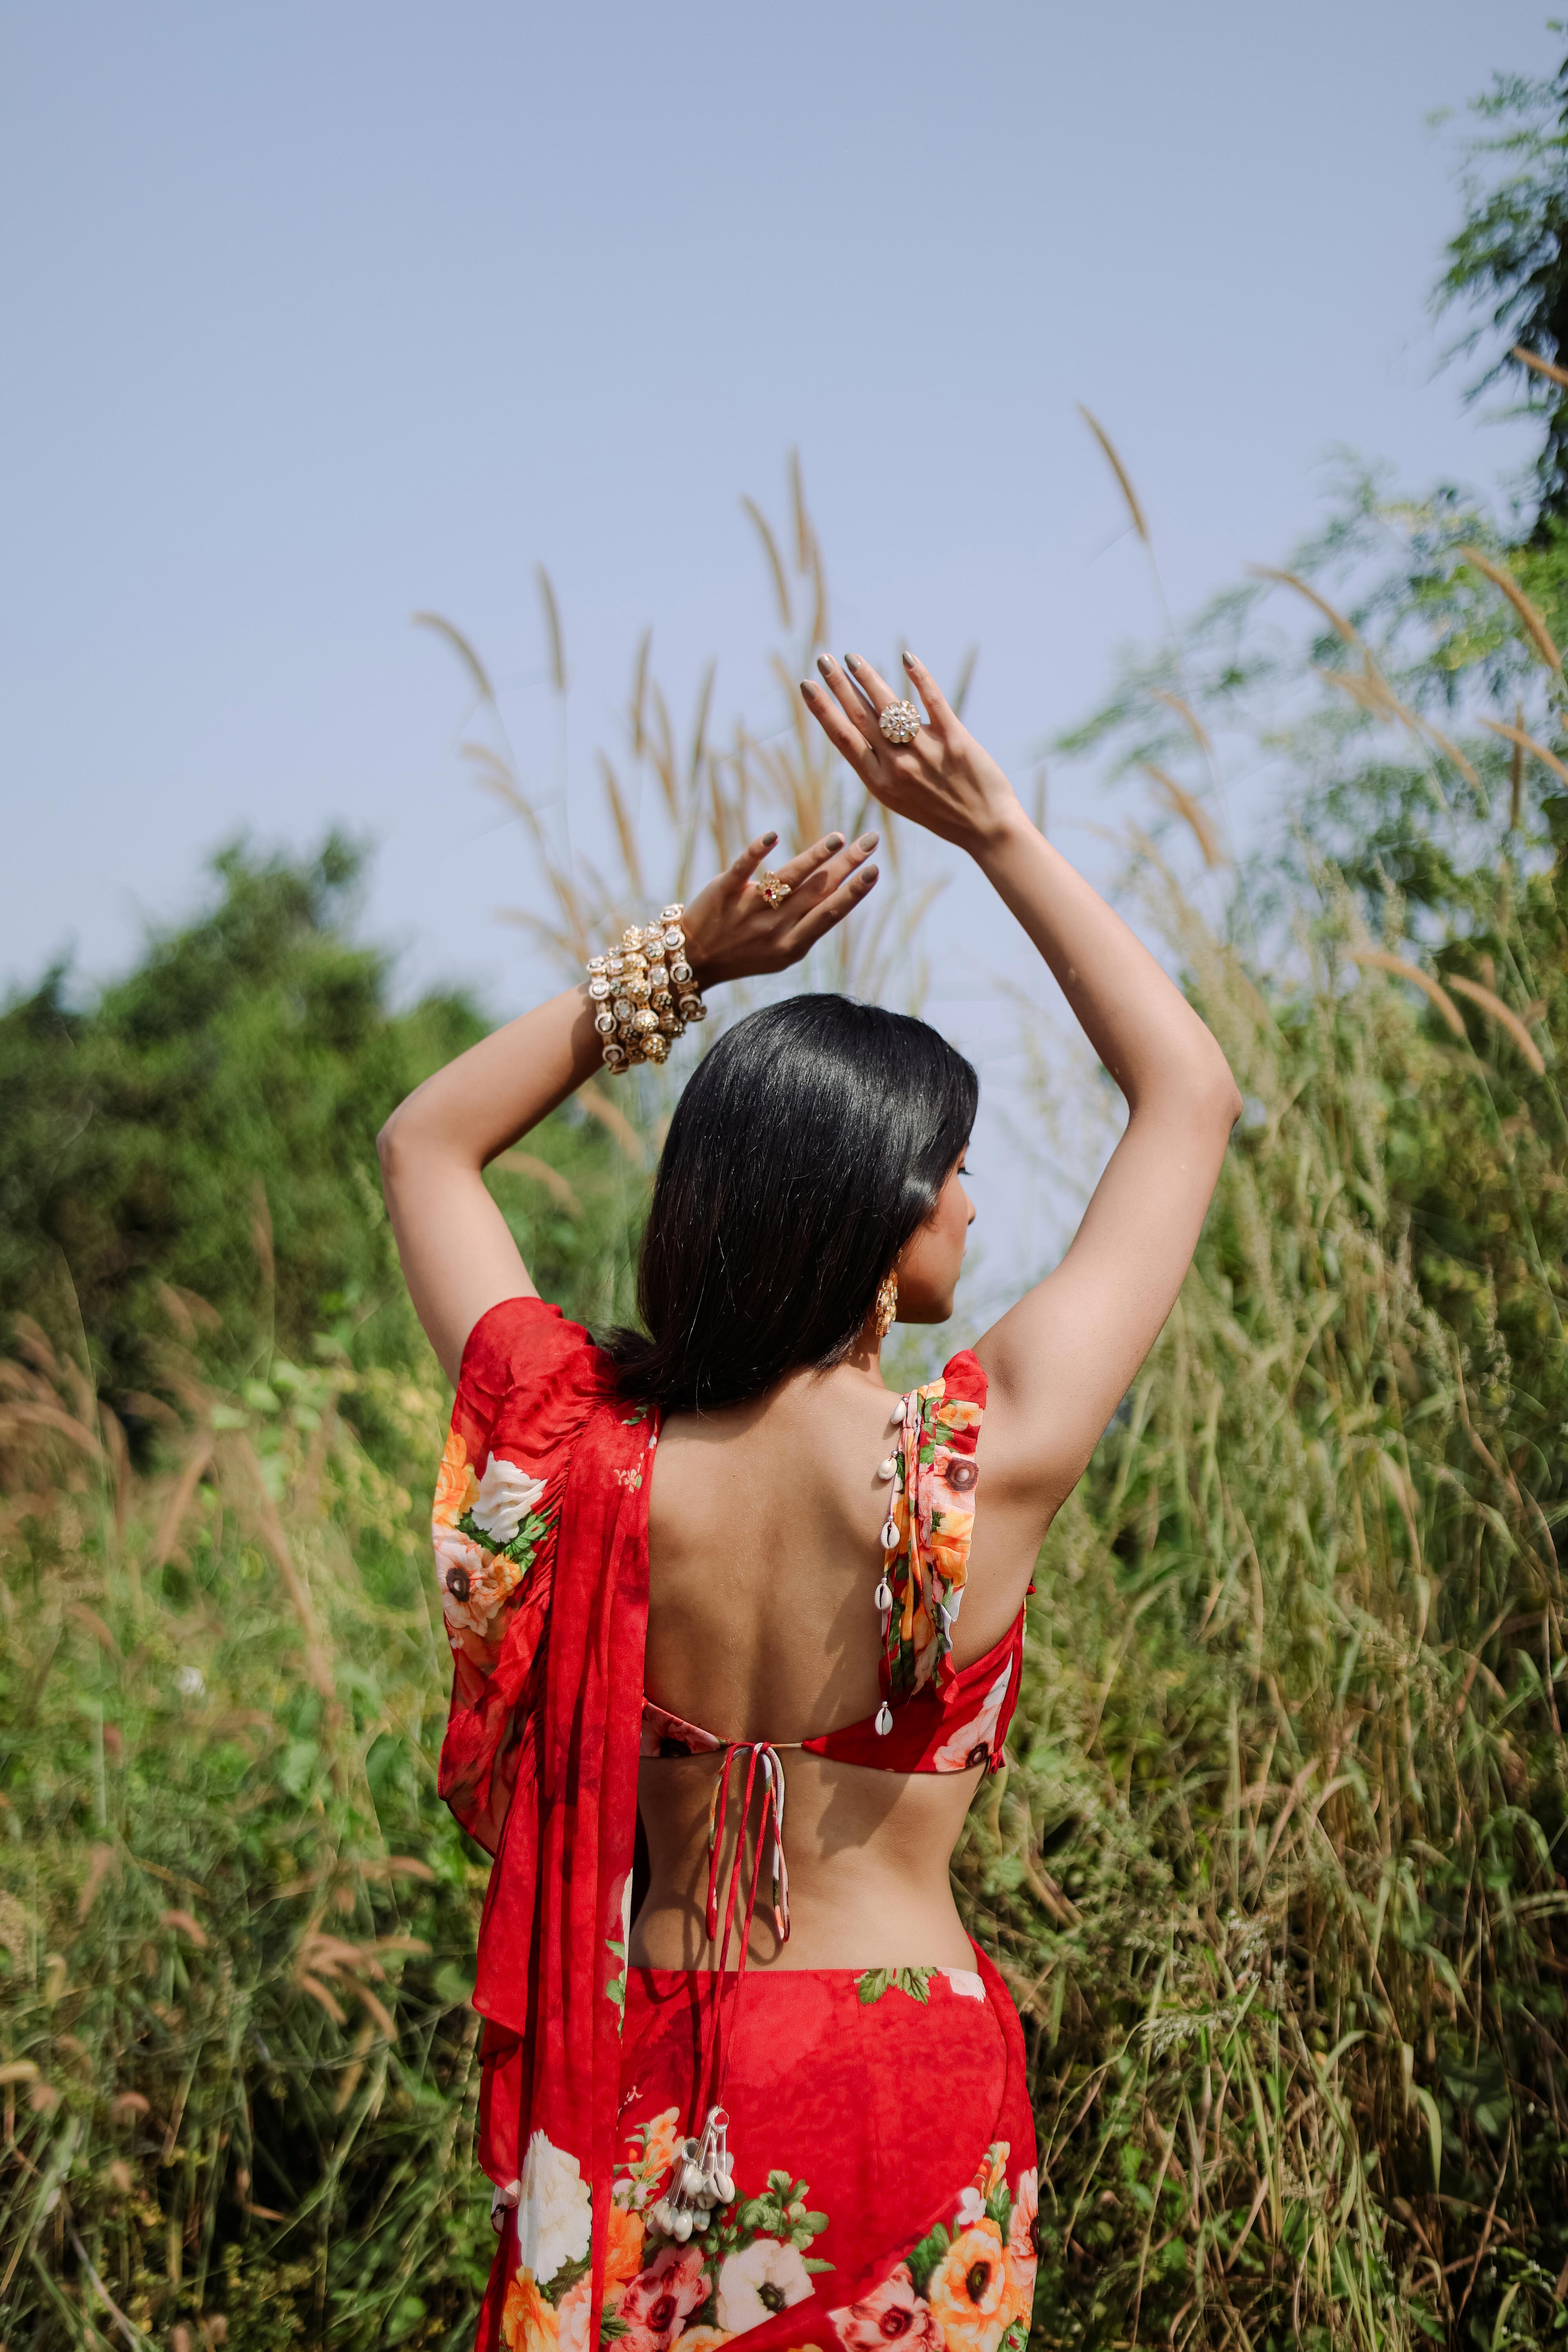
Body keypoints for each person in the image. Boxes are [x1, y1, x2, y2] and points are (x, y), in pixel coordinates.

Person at [378, 649, 1240, 2352]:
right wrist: (994, 832)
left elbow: (424, 1145)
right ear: (891, 1201)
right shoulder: (968, 1467)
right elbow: (1189, 1095)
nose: (976, 1206)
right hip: (901, 2076)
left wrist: (682, 963)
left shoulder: (582, 1457)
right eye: (959, 1168)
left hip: (645, 2073)